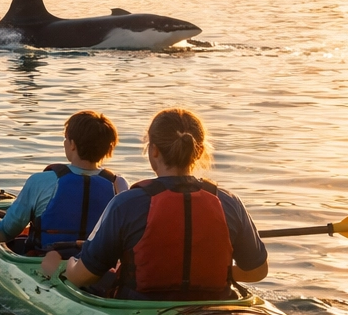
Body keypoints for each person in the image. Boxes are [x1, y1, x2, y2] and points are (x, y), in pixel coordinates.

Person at [41, 107, 268, 300]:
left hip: (141, 302)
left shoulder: (126, 203)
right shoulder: (229, 201)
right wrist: (216, 273)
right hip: (214, 302)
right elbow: (257, 271)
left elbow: (83, 276)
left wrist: (67, 264)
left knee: (53, 263)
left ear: (154, 150)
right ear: (198, 153)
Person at [0, 110, 127, 257]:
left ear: (72, 145)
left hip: (45, 262)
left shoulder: (40, 181)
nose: (64, 143)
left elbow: (3, 234)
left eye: (66, 139)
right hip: (95, 265)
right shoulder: (119, 184)